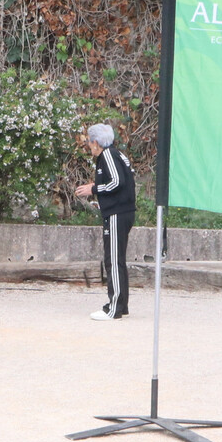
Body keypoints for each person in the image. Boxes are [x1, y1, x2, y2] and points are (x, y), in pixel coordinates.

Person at [78, 125, 136, 321]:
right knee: (117, 260)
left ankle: (114, 308)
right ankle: (121, 305)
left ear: (96, 142)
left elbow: (117, 182)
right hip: (121, 212)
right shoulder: (115, 154)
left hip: (117, 214)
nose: (88, 145)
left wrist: (93, 189)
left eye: (89, 141)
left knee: (113, 260)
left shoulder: (108, 155)